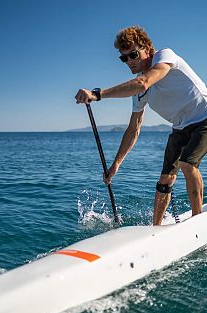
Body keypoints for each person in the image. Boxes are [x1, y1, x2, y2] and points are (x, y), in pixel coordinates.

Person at [75, 26, 207, 225]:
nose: (129, 61)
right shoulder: (138, 91)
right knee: (165, 181)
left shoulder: (164, 56)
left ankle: (198, 224)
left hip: (204, 118)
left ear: (147, 48)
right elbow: (134, 128)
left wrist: (97, 94)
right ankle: (156, 228)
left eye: (133, 55)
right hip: (180, 128)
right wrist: (116, 164)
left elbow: (145, 82)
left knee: (187, 164)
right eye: (124, 58)